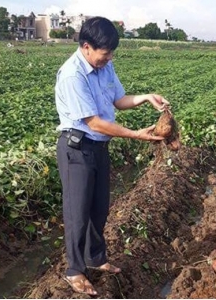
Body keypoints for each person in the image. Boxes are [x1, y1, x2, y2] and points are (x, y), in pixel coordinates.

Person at [55, 16, 169, 296]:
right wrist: (134, 134)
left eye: (111, 54)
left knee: (99, 209)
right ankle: (74, 270)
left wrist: (145, 97)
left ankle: (95, 258)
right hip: (77, 149)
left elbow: (118, 100)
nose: (108, 59)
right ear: (86, 47)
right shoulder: (73, 74)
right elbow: (93, 122)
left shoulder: (105, 67)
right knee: (77, 213)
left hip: (99, 148)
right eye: (104, 54)